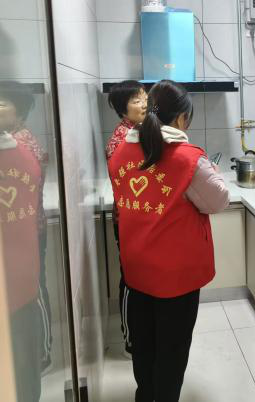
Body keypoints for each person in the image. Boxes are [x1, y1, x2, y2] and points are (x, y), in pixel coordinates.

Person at [109, 80, 229, 402]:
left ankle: (145, 395)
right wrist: (213, 172)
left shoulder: (121, 151)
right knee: (172, 350)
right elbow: (218, 201)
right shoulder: (186, 158)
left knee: (144, 344)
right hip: (176, 274)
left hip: (137, 267)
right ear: (180, 119)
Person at [0, 82, 52, 372]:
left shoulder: (23, 144)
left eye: (0, 103)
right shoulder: (1, 140)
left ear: (20, 112)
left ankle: (41, 352)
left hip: (28, 233)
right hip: (13, 233)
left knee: (32, 292)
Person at [105, 80, 148, 357]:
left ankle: (142, 334)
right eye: (136, 100)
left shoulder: (142, 131)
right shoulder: (121, 139)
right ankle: (131, 339)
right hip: (128, 220)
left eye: (144, 97)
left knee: (142, 278)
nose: (143, 104)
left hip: (144, 219)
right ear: (123, 109)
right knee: (132, 280)